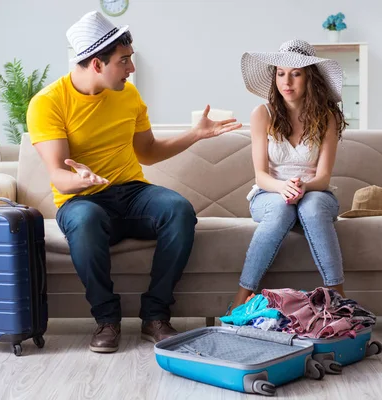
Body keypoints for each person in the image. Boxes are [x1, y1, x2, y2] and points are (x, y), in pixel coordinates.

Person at [27, 11, 241, 353]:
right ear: (97, 64)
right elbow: (58, 176)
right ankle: (106, 319)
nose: (131, 68)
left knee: (178, 210)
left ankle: (155, 315)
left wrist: (196, 135)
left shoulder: (128, 97)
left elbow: (149, 152)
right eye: (124, 61)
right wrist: (80, 179)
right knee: (85, 219)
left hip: (131, 194)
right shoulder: (48, 103)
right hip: (81, 202)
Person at [230, 39, 348, 310]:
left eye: (296, 74)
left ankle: (339, 300)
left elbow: (324, 178)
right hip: (269, 192)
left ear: (310, 78)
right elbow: (261, 176)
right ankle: (240, 299)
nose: (287, 82)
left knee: (314, 206)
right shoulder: (262, 114)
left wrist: (303, 186)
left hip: (315, 192)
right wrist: (283, 188)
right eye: (281, 74)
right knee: (283, 208)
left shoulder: (327, 117)